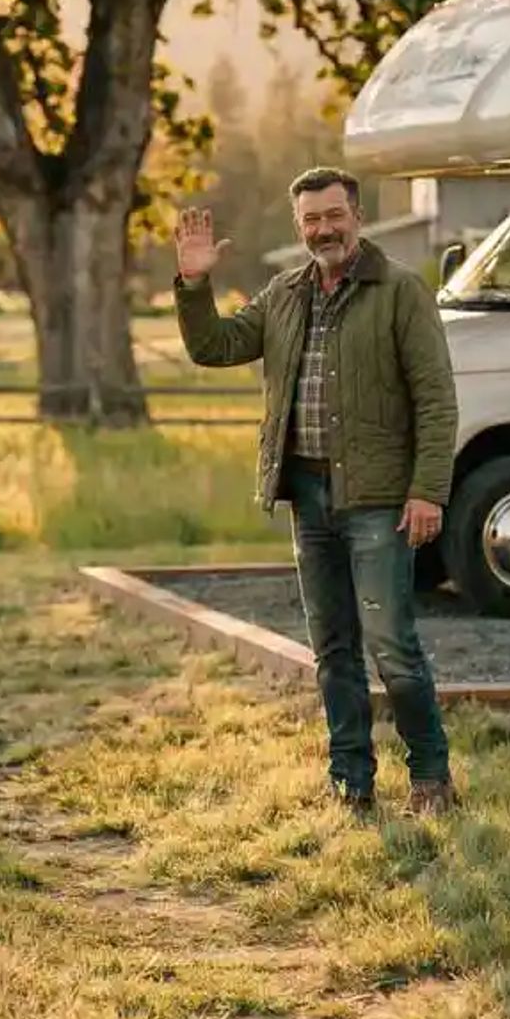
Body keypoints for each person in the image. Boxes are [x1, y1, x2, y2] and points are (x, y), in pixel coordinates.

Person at [173, 167, 459, 815]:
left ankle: (431, 778)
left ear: (357, 216)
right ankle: (351, 783)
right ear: (298, 224)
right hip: (308, 496)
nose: (322, 229)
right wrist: (194, 284)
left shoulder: (401, 292)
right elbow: (214, 346)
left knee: (392, 647)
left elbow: (437, 401)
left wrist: (428, 492)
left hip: (381, 502)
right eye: (310, 219)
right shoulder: (284, 293)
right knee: (332, 649)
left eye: (334, 215)